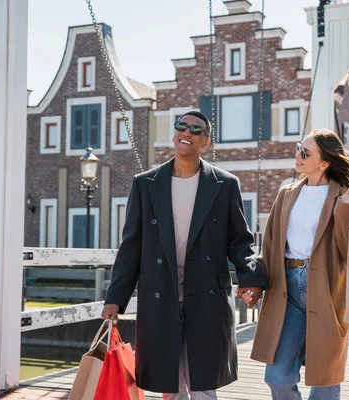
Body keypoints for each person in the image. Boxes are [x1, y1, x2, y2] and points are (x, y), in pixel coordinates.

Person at [102, 111, 268, 399]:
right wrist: (116, 298)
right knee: (171, 383)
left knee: (203, 383)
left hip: (206, 290)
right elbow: (131, 245)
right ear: (174, 134)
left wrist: (252, 278)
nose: (187, 132)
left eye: (196, 129)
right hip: (160, 289)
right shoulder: (145, 183)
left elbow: (240, 241)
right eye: (182, 126)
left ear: (206, 142)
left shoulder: (225, 184)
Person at [243, 129, 349, 399]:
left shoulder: (344, 197)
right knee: (277, 377)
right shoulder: (286, 194)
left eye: (305, 153)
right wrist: (254, 283)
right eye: (298, 149)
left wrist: (347, 212)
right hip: (286, 291)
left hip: (327, 290)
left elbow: (348, 252)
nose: (297, 156)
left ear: (324, 162)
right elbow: (270, 248)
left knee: (325, 381)